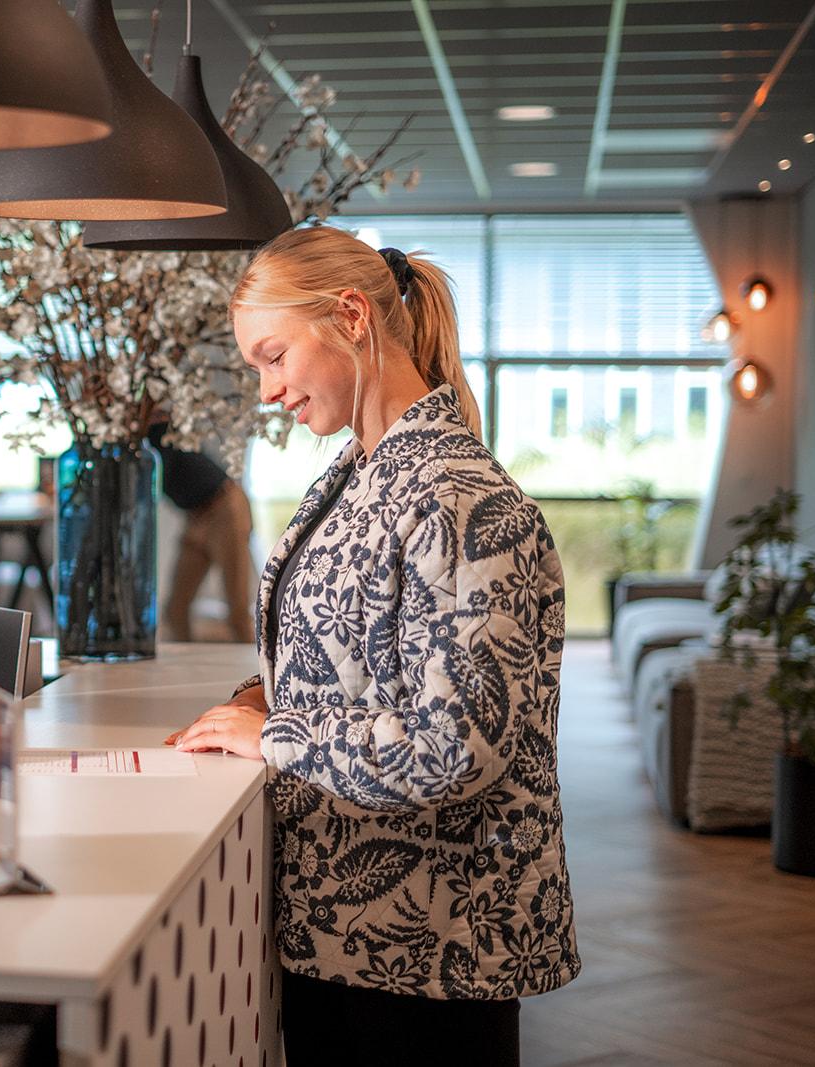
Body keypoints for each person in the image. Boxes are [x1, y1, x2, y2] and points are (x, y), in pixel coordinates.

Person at [167, 227, 578, 1066]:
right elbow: (349, 653)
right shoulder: (361, 471)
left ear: (351, 316)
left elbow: (456, 747)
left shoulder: (458, 497)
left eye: (274, 357)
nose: (268, 390)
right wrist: (260, 695)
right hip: (348, 932)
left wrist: (276, 734)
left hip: (431, 947)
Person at [147, 418, 256, 644]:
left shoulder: (160, 432)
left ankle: (263, 674)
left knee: (236, 609)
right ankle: (183, 670)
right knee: (175, 609)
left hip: (225, 506)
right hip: (194, 516)